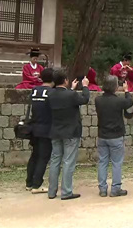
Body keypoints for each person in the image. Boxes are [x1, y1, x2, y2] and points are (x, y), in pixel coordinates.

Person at [47, 70, 90, 200]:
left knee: (55, 161)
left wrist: (71, 89)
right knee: (68, 161)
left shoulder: (50, 94)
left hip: (55, 130)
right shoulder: (71, 95)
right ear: (65, 80)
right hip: (71, 131)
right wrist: (86, 86)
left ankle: (52, 191)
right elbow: (84, 99)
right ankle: (66, 191)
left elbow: (66, 97)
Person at [96, 76, 133, 197]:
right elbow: (129, 102)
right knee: (117, 162)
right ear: (115, 87)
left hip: (102, 135)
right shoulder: (119, 101)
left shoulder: (98, 100)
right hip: (116, 135)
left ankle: (102, 188)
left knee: (102, 162)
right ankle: (115, 188)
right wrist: (127, 90)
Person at [25, 68, 55, 194]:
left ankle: (29, 183)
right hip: (46, 128)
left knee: (34, 155)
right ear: (53, 79)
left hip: (34, 127)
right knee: (43, 157)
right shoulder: (52, 93)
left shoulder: (34, 90)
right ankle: (37, 184)